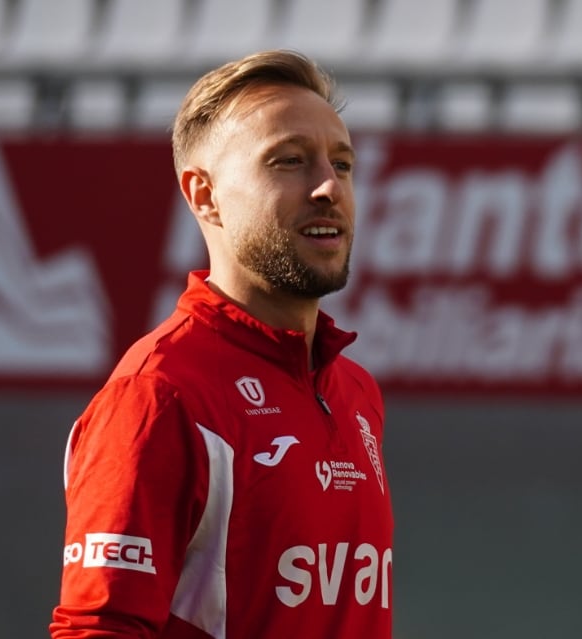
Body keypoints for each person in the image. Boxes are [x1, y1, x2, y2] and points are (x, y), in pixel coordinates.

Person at [51, 49, 393, 639]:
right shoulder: (159, 395)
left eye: (342, 164)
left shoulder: (354, 389)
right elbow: (98, 628)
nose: (328, 187)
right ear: (204, 195)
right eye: (289, 161)